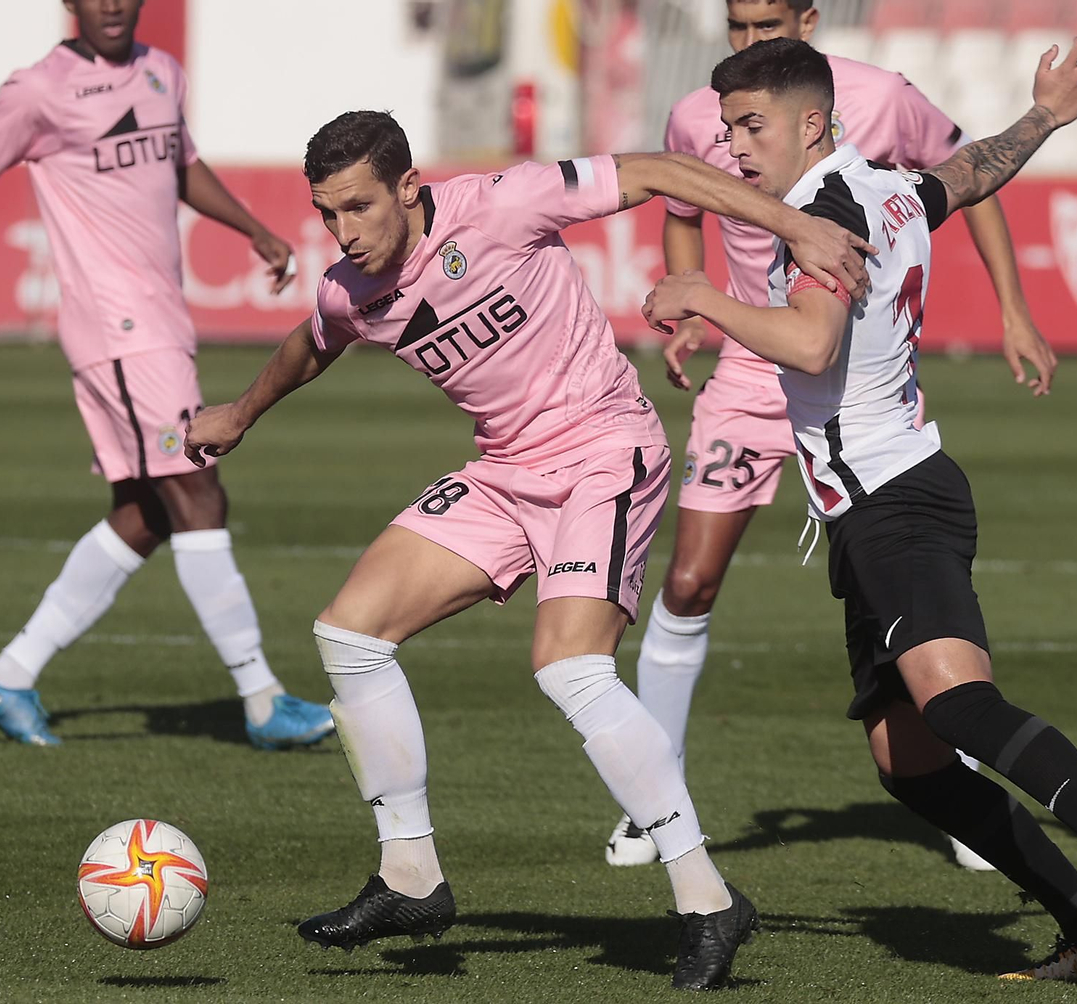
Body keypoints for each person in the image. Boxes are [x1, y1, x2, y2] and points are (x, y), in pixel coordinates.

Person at [184, 111, 868, 990]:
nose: (344, 232)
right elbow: (311, 343)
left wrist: (796, 226)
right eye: (327, 213)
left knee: (570, 668)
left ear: (408, 187)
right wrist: (240, 413)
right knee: (350, 633)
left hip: (604, 452)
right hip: (507, 473)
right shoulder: (350, 289)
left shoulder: (504, 205)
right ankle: (410, 876)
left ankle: (707, 899)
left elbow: (659, 170)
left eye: (359, 207)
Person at [643, 37, 1077, 983]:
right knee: (909, 762)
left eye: (750, 126)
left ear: (812, 123)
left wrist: (705, 295)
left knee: (959, 705)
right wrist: (1044, 116)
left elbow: (811, 345)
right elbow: (970, 172)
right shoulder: (885, 186)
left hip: (894, 500)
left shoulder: (826, 211)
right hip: (879, 503)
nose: (732, 146)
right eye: (728, 127)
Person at [606, 0, 1057, 872]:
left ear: (808, 19)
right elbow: (683, 213)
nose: (750, 39)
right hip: (751, 366)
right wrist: (695, 305)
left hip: (848, 378)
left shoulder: (882, 95)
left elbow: (966, 175)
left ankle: (966, 798)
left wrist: (1013, 309)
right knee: (689, 581)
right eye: (737, 24)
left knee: (910, 596)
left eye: (767, 21)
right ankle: (653, 805)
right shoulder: (702, 111)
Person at [0, 0, 334, 751]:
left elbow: (180, 165)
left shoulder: (161, 72)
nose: (113, 4)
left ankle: (9, 676)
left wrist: (252, 228)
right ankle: (262, 700)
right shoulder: (38, 89)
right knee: (198, 488)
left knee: (147, 513)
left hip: (161, 321)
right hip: (115, 326)